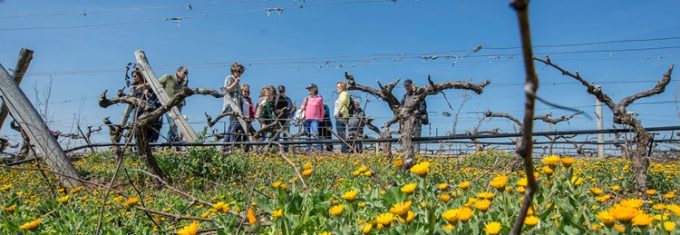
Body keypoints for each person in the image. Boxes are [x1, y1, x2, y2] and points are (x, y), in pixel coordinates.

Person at [128, 70, 162, 143]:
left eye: (135, 76)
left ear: (140, 75)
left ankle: (148, 142)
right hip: (136, 107)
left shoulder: (148, 85)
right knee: (133, 125)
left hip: (146, 108)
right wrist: (133, 92)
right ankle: (136, 143)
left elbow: (155, 97)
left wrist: (147, 93)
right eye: (132, 76)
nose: (134, 78)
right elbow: (133, 97)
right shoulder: (134, 86)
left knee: (146, 126)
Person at [158, 66, 189, 142]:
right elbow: (156, 83)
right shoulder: (168, 77)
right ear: (178, 71)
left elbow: (183, 92)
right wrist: (145, 88)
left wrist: (184, 99)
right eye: (184, 72)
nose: (186, 75)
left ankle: (169, 143)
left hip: (178, 105)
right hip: (167, 104)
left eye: (187, 73)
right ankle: (171, 142)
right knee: (172, 124)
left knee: (175, 124)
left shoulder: (184, 82)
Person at [401, 79, 428, 153]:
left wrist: (414, 112)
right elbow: (401, 108)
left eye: (407, 85)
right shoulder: (405, 96)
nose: (406, 87)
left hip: (416, 121)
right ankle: (406, 155)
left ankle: (416, 156)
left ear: (412, 85)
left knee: (416, 140)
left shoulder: (418, 95)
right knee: (406, 139)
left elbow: (422, 108)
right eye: (405, 86)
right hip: (406, 122)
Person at [222, 63, 246, 148]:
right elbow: (226, 89)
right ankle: (230, 146)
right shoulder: (230, 78)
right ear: (233, 71)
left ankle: (225, 146)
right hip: (231, 104)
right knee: (234, 124)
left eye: (240, 72)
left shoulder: (237, 81)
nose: (238, 73)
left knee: (232, 124)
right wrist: (235, 82)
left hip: (236, 105)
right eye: (236, 71)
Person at [300, 83, 324, 154]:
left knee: (316, 135)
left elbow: (321, 109)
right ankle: (308, 151)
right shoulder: (306, 98)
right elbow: (302, 107)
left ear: (314, 89)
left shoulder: (319, 99)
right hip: (306, 119)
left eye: (310, 89)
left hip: (315, 119)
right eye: (308, 89)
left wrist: (321, 118)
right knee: (308, 136)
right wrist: (301, 107)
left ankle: (319, 151)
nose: (309, 90)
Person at [334, 81, 351, 153]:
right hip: (341, 116)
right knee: (341, 133)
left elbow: (343, 101)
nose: (337, 89)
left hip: (341, 116)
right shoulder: (342, 94)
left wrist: (338, 111)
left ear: (343, 88)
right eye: (337, 87)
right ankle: (345, 149)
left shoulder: (344, 93)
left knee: (341, 134)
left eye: (339, 87)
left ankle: (345, 150)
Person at [276, 85, 295, 151]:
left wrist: (289, 112)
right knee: (276, 134)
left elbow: (291, 108)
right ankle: (276, 149)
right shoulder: (276, 99)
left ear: (285, 91)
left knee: (286, 135)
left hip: (286, 118)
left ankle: (286, 150)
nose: (281, 92)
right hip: (277, 119)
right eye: (280, 91)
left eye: (282, 91)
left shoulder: (288, 99)